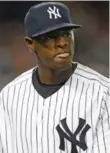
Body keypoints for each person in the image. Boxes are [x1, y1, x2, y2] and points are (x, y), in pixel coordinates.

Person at [0, 2, 109, 153]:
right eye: (51, 37)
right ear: (30, 44)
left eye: (66, 33)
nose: (62, 43)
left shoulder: (103, 93)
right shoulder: (9, 96)